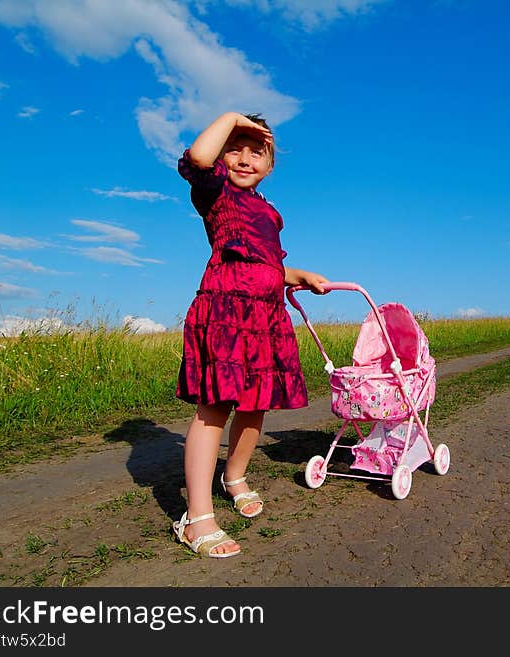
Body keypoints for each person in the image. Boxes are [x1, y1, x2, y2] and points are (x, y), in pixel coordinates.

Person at [172, 111, 329, 558]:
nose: (243, 158)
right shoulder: (215, 190)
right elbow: (199, 157)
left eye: (255, 151)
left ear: (271, 165)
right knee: (215, 406)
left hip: (267, 315)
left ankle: (234, 475)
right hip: (226, 310)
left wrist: (299, 274)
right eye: (234, 148)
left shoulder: (270, 212)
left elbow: (270, 266)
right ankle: (197, 517)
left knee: (257, 403)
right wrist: (235, 117)